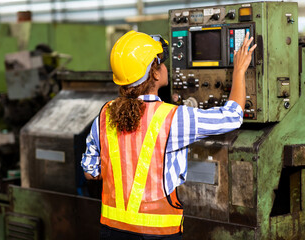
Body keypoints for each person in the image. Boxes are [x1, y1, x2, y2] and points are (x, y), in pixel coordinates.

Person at [81, 30, 256, 240]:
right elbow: (233, 116)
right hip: (158, 235)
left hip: (112, 231)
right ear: (155, 74)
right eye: (161, 63)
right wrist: (239, 71)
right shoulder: (173, 118)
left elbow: (90, 173)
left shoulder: (104, 115)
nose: (165, 67)